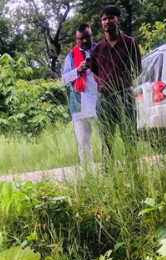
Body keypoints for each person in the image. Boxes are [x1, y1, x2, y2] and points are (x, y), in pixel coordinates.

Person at [87, 4, 141, 158]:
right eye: (104, 19)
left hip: (125, 97)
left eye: (110, 18)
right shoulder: (97, 50)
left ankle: (133, 170)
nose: (107, 21)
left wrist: (124, 81)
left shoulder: (130, 43)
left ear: (118, 19)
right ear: (101, 23)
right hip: (104, 101)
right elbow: (96, 72)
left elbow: (138, 68)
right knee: (107, 140)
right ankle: (110, 172)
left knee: (129, 137)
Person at [61, 24, 100, 165]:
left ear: (92, 36)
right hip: (79, 105)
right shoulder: (71, 56)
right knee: (83, 144)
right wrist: (78, 70)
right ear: (76, 39)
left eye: (87, 37)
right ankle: (87, 177)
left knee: (105, 139)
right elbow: (64, 79)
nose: (84, 41)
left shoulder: (100, 49)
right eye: (80, 39)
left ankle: (109, 171)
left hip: (99, 102)